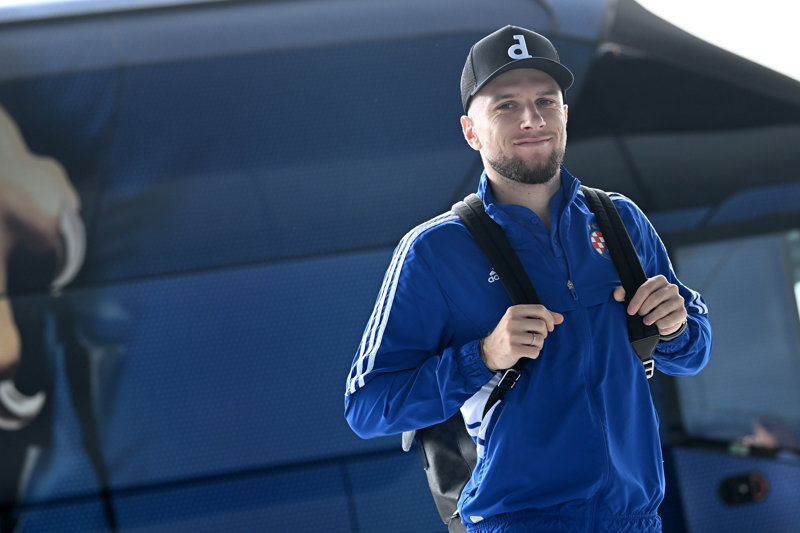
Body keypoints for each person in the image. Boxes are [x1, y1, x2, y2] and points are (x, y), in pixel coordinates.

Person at [344, 25, 711, 532]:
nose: (532, 119)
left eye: (545, 101)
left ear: (565, 115)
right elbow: (367, 408)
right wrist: (482, 356)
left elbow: (692, 353)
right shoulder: (433, 251)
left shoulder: (621, 222)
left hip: (634, 522)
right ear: (471, 131)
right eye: (506, 106)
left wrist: (677, 327)